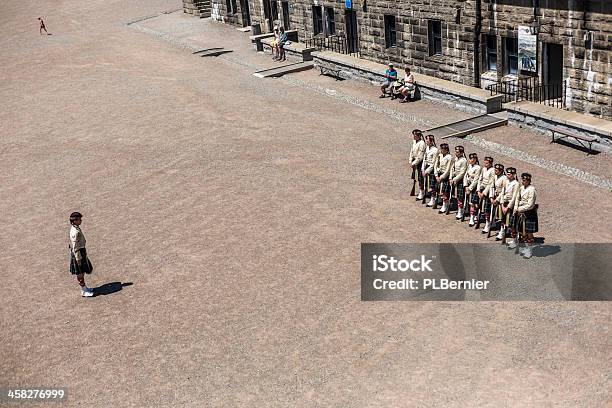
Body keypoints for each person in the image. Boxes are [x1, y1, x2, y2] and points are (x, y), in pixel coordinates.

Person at [509, 173, 538, 258]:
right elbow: (517, 198)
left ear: (529, 181)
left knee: (529, 232)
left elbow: (530, 204)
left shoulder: (532, 190)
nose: (523, 182)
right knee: (521, 231)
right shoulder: (521, 188)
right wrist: (515, 208)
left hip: (529, 213)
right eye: (522, 180)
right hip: (519, 212)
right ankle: (525, 246)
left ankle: (529, 250)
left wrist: (519, 209)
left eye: (525, 180)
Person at [69, 212, 94, 297]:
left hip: (81, 251)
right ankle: (83, 290)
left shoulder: (76, 228)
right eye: (79, 219)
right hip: (78, 253)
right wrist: (78, 258)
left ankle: (85, 288)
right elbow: (75, 246)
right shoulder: (75, 232)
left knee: (82, 272)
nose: (81, 221)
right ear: (75, 221)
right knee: (80, 273)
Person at [494, 167, 519, 241]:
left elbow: (514, 197)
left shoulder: (516, 184)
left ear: (513, 174)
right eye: (507, 174)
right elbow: (502, 193)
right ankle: (502, 232)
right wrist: (501, 203)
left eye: (509, 174)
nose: (507, 176)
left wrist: (507, 207)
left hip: (510, 204)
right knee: (502, 220)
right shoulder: (506, 181)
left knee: (511, 223)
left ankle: (514, 238)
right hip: (503, 203)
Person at [484, 163, 507, 234]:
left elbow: (504, 190)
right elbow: (492, 186)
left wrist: (497, 200)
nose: (495, 171)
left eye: (496, 170)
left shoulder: (504, 178)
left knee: (501, 216)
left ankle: (502, 230)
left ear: (501, 171)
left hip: (501, 198)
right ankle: (489, 224)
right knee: (488, 211)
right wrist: (491, 197)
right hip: (494, 196)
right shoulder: (495, 176)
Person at [475, 156, 495, 230]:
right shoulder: (483, 169)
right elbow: (480, 179)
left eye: (487, 163)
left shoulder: (493, 170)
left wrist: (484, 193)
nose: (485, 164)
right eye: (484, 163)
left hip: (488, 191)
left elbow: (491, 182)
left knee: (487, 209)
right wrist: (478, 190)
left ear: (490, 163)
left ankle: (488, 223)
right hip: (482, 188)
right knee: (479, 206)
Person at [450, 146, 468, 219]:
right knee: (457, 196)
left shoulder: (464, 161)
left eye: (457, 152)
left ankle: (461, 211)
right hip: (454, 179)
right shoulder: (456, 159)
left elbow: (462, 172)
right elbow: (452, 168)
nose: (456, 153)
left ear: (462, 153)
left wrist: (455, 179)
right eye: (455, 152)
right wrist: (451, 178)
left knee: (460, 197)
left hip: (460, 180)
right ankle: (459, 209)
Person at [464, 153, 482, 226]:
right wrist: (465, 185)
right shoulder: (469, 166)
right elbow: (465, 175)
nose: (470, 160)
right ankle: (472, 216)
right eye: (470, 159)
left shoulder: (478, 168)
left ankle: (474, 217)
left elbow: (476, 179)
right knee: (470, 203)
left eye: (472, 159)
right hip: (468, 186)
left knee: (474, 204)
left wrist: (470, 188)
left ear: (475, 160)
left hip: (474, 187)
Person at [434, 143, 453, 213]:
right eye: (441, 149)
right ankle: (441, 203)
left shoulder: (449, 157)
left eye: (443, 149)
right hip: (439, 174)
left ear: (446, 150)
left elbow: (448, 169)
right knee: (439, 190)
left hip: (445, 176)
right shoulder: (440, 155)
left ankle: (445, 205)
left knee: (444, 192)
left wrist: (441, 177)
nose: (441, 150)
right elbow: (436, 164)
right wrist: (436, 174)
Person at [409, 129, 426, 199]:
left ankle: (422, 192)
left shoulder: (422, 143)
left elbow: (420, 155)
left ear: (419, 136)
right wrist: (410, 160)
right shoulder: (414, 142)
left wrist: (415, 163)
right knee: (415, 177)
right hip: (414, 161)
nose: (414, 137)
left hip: (419, 162)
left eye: (415, 135)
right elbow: (411, 151)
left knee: (420, 178)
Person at [423, 135, 439, 207]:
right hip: (426, 166)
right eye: (426, 140)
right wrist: (423, 168)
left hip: (431, 168)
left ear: (432, 141)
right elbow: (424, 158)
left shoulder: (435, 150)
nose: (426, 141)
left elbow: (434, 162)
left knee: (432, 186)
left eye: (428, 140)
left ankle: (433, 199)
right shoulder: (427, 148)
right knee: (427, 184)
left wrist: (427, 170)